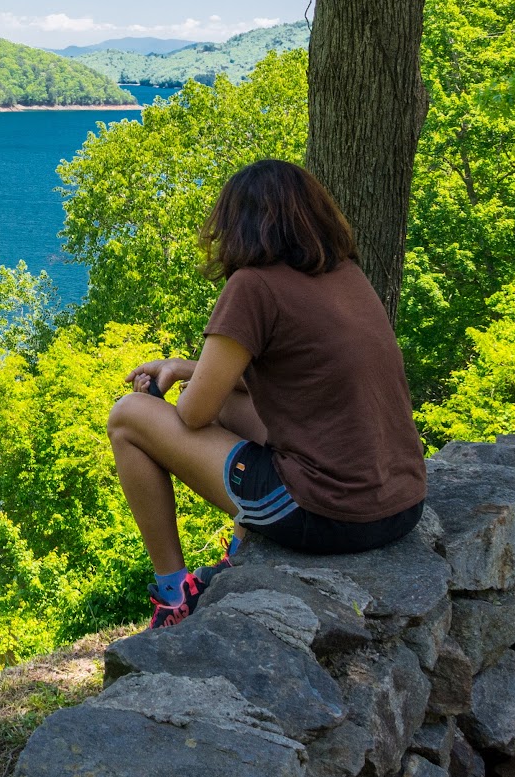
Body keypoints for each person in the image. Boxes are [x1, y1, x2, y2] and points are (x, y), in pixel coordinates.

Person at [106, 158, 428, 628]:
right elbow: (295, 376)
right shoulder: (345, 276)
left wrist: (178, 392)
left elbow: (195, 414)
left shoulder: (252, 286)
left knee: (129, 416)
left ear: (239, 224)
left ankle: (174, 592)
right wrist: (181, 367)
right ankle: (242, 548)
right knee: (233, 404)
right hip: (401, 505)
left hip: (328, 513)